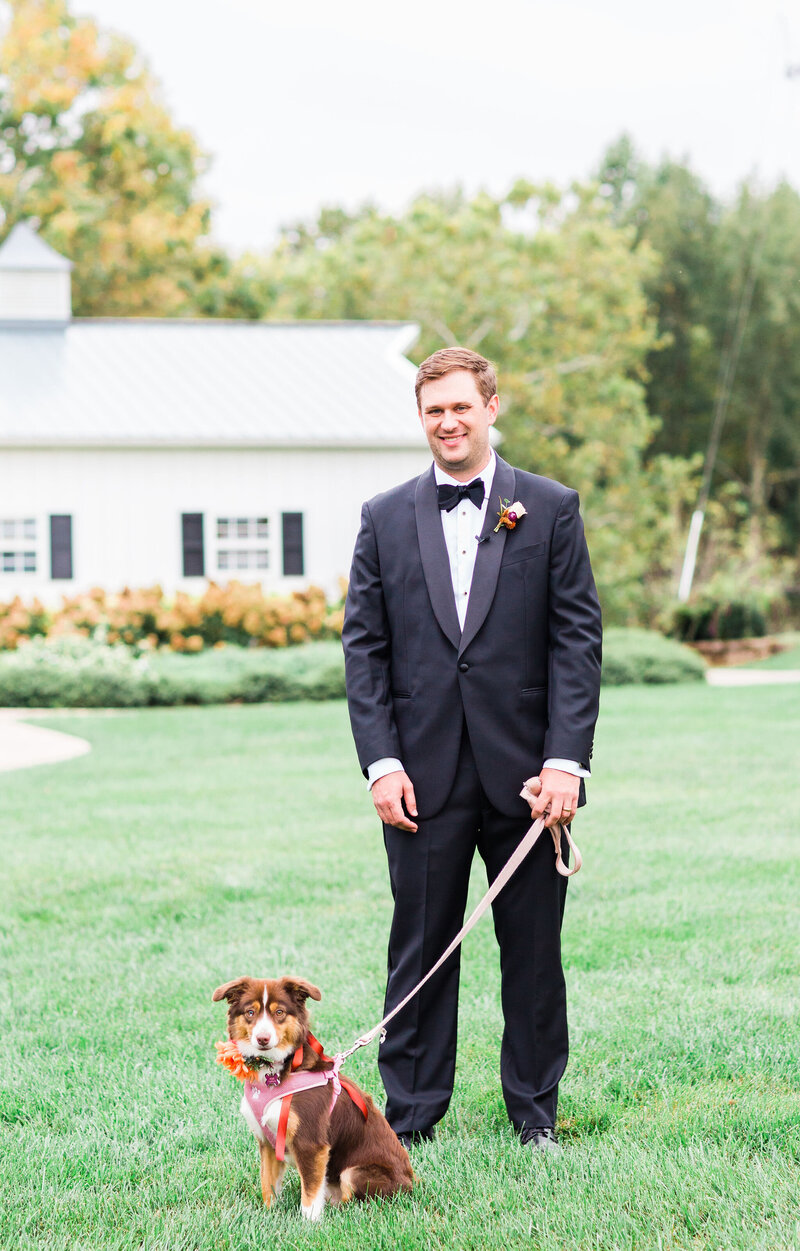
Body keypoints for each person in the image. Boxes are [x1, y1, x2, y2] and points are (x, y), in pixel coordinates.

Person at [342, 347, 602, 1153]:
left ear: (492, 406)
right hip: (418, 780)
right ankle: (411, 1115)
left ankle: (535, 1115)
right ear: (421, 419)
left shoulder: (551, 508)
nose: (447, 422)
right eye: (433, 411)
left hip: (529, 780)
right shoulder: (383, 516)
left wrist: (567, 760)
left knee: (532, 953)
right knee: (420, 947)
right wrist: (381, 764)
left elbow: (576, 640)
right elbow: (365, 649)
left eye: (461, 406)